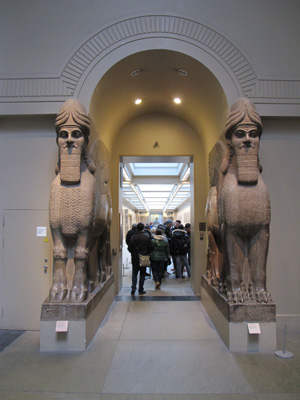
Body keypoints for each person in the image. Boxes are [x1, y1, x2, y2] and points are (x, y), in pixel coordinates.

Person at [128, 222, 154, 295]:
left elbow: (129, 248)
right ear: (143, 228)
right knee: (142, 274)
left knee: (134, 273)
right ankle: (140, 289)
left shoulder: (132, 237)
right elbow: (151, 248)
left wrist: (134, 253)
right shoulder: (146, 237)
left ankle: (133, 288)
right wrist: (147, 253)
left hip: (135, 257)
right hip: (143, 257)